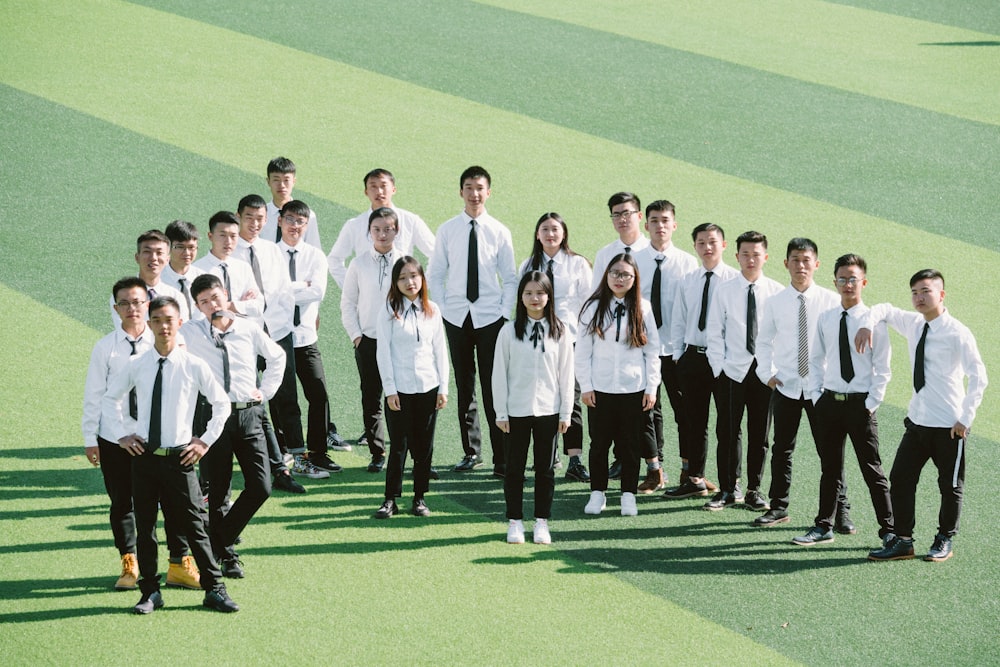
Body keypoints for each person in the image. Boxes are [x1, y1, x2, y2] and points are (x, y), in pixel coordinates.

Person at [101, 296, 238, 614]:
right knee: (145, 527)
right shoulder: (137, 365)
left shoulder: (193, 364)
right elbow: (110, 400)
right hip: (145, 459)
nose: (164, 326)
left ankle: (215, 589)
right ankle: (150, 591)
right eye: (158, 320)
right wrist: (122, 434)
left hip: (180, 460)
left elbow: (222, 404)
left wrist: (204, 442)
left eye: (169, 320)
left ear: (179, 323)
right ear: (149, 325)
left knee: (195, 526)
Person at [863, 269, 987, 562]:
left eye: (925, 291)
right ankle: (903, 541)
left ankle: (944, 539)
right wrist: (867, 325)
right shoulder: (915, 324)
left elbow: (979, 376)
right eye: (915, 292)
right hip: (917, 424)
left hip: (949, 427)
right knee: (901, 478)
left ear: (941, 295)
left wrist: (965, 419)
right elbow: (883, 309)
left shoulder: (958, 332)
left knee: (950, 486)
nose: (919, 298)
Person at [84, 278, 199, 591]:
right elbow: (96, 395)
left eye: (137, 302)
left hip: (158, 440)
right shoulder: (105, 348)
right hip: (116, 440)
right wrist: (91, 437)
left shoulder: (166, 341)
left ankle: (179, 563)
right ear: (116, 309)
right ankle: (129, 561)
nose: (132, 309)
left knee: (174, 503)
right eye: (125, 303)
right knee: (123, 502)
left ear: (147, 306)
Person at [183, 274, 286, 577]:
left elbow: (277, 357)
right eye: (204, 302)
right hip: (213, 417)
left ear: (225, 295)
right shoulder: (190, 333)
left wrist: (264, 392)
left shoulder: (247, 328)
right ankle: (227, 556)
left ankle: (215, 544)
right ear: (198, 306)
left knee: (261, 486)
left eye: (215, 297)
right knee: (218, 492)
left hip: (249, 415)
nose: (212, 305)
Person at [193, 211, 303, 493]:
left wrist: (233, 308)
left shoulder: (242, 266)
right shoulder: (200, 269)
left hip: (244, 345)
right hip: (211, 352)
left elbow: (259, 304)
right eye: (223, 235)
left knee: (256, 408)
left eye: (233, 235)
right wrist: (232, 306)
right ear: (210, 237)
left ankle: (278, 468)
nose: (229, 241)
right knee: (212, 414)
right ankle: (211, 487)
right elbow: (200, 311)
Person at [792, 254, 894, 546]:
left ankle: (889, 529)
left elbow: (883, 368)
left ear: (863, 282)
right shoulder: (826, 318)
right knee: (830, 469)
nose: (848, 284)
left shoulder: (873, 321)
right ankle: (824, 526)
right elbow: (815, 359)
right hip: (829, 404)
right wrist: (815, 397)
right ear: (834, 281)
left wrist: (871, 402)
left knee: (872, 469)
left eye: (853, 279)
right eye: (842, 279)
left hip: (860, 405)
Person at [752, 238, 851, 530]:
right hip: (786, 386)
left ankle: (841, 511)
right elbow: (764, 341)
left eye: (807, 260)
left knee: (830, 454)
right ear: (786, 263)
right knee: (782, 450)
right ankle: (778, 507)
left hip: (821, 390)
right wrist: (766, 374)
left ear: (817, 265)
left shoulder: (832, 301)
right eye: (795, 259)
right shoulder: (775, 302)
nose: (801, 266)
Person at [233, 194, 331, 481]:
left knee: (287, 395)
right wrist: (297, 286)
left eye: (259, 218)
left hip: (278, 331)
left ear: (267, 220)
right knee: (245, 395)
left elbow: (281, 292)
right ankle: (260, 458)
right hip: (243, 334)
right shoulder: (232, 253)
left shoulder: (270, 251)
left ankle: (297, 457)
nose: (254, 223)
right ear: (239, 216)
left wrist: (281, 299)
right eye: (249, 217)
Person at [427, 165, 516, 476]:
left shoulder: (499, 231)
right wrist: (441, 309)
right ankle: (471, 451)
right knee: (465, 389)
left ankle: (502, 458)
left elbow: (511, 279)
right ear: (460, 191)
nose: (474, 193)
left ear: (488, 192)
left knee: (495, 389)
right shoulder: (447, 230)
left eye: (480, 188)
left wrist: (505, 314)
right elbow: (435, 274)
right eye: (469, 187)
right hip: (455, 317)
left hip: (491, 318)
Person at [704, 231, 782, 511]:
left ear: (766, 257)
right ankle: (727, 488)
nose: (750, 259)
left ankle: (753, 489)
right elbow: (714, 332)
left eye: (756, 254)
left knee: (760, 435)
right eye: (745, 254)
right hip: (731, 371)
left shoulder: (776, 292)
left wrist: (773, 370)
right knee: (727, 431)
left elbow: (781, 335)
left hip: (764, 373)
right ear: (736, 256)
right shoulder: (724, 290)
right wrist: (719, 368)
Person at [577, 254, 660, 516]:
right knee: (599, 444)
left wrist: (651, 387)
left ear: (634, 279)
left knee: (629, 445)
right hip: (600, 388)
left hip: (632, 387)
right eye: (614, 273)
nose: (619, 278)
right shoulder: (592, 307)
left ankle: (627, 495)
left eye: (625, 274)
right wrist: (586, 385)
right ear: (606, 275)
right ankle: (597, 492)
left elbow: (652, 351)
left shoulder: (643, 308)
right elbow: (583, 352)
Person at [494, 271, 574, 544]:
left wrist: (566, 412)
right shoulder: (508, 330)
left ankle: (542, 521)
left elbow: (566, 374)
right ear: (521, 297)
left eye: (539, 293)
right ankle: (515, 520)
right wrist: (500, 412)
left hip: (548, 410)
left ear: (549, 296)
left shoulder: (560, 331)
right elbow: (498, 374)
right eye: (528, 293)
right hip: (516, 410)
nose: (534, 298)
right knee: (514, 468)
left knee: (545, 469)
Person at [663, 223, 737, 499]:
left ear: (724, 245)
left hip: (725, 360)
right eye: (702, 243)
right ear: (695, 246)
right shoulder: (689, 280)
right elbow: (679, 320)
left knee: (727, 425)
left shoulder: (734, 280)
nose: (707, 247)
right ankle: (694, 478)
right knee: (694, 422)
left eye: (713, 242)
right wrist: (679, 355)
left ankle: (731, 483)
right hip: (693, 357)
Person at [518, 212, 592, 483]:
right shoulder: (527, 265)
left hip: (569, 339)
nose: (550, 234)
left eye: (555, 229)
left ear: (564, 233)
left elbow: (589, 304)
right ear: (537, 234)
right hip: (536, 340)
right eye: (545, 229)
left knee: (570, 398)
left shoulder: (578, 264)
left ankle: (575, 458)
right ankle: (546, 455)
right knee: (539, 395)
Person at [374, 257, 449, 518]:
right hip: (400, 390)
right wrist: (390, 389)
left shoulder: (433, 310)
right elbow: (383, 353)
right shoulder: (388, 311)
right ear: (396, 282)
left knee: (424, 446)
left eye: (414, 276)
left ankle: (419, 498)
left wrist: (443, 388)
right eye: (403, 277)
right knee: (398, 446)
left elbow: (440, 350)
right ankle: (390, 499)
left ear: (422, 279)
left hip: (428, 387)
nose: (410, 282)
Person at [633, 200, 698, 492]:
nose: (660, 225)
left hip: (677, 350)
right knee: (646, 410)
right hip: (645, 349)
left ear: (675, 225)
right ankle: (654, 469)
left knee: (685, 412)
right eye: (654, 220)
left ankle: (688, 470)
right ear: (646, 225)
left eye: (666, 220)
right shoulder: (634, 259)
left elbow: (693, 308)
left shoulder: (687, 262)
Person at [278, 199, 345, 473]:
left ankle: (318, 452)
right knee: (283, 399)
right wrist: (298, 286)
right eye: (290, 219)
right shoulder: (270, 254)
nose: (295, 226)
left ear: (307, 226)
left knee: (319, 395)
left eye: (300, 222)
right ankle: (286, 452)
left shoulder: (315, 256)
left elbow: (317, 292)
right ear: (280, 221)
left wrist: (286, 289)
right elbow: (268, 293)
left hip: (306, 337)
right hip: (278, 337)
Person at [341, 207, 405, 473]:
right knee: (371, 398)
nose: (382, 234)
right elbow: (348, 303)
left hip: (400, 343)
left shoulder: (406, 261)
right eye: (377, 229)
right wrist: (357, 336)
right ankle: (377, 452)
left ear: (396, 231)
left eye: (387, 229)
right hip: (368, 341)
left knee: (402, 398)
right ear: (369, 232)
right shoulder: (358, 263)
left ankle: (403, 453)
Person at [327, 168, 436, 289]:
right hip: (367, 297)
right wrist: (352, 287)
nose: (379, 191)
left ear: (393, 189)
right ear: (366, 192)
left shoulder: (411, 220)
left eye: (383, 186)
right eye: (373, 186)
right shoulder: (354, 225)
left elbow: (436, 253)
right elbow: (334, 259)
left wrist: (420, 284)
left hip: (402, 294)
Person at [109, 230, 183, 328]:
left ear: (167, 259)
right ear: (137, 257)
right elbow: (127, 330)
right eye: (147, 252)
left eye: (159, 252)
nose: (153, 258)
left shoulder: (176, 296)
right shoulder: (122, 295)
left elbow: (181, 332)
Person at [261, 156, 322, 249]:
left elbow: (315, 250)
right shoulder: (260, 215)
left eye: (286, 180)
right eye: (276, 180)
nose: (281, 185)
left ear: (294, 181)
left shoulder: (307, 216)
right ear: (268, 181)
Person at [161, 220, 204, 322]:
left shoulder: (203, 278)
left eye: (191, 247)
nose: (187, 253)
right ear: (168, 247)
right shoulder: (158, 280)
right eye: (180, 247)